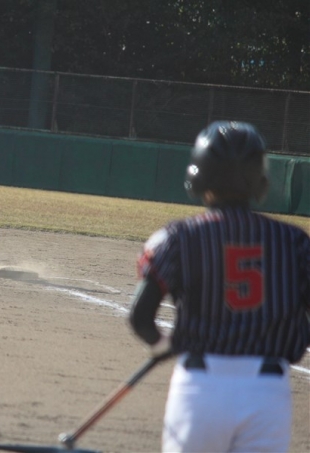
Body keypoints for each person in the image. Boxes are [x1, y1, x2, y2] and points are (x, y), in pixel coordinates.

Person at [128, 121, 310, 452]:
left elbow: (140, 318)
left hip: (200, 388)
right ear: (260, 179)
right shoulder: (294, 242)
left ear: (199, 176)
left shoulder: (177, 237)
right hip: (267, 394)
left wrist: (163, 344)